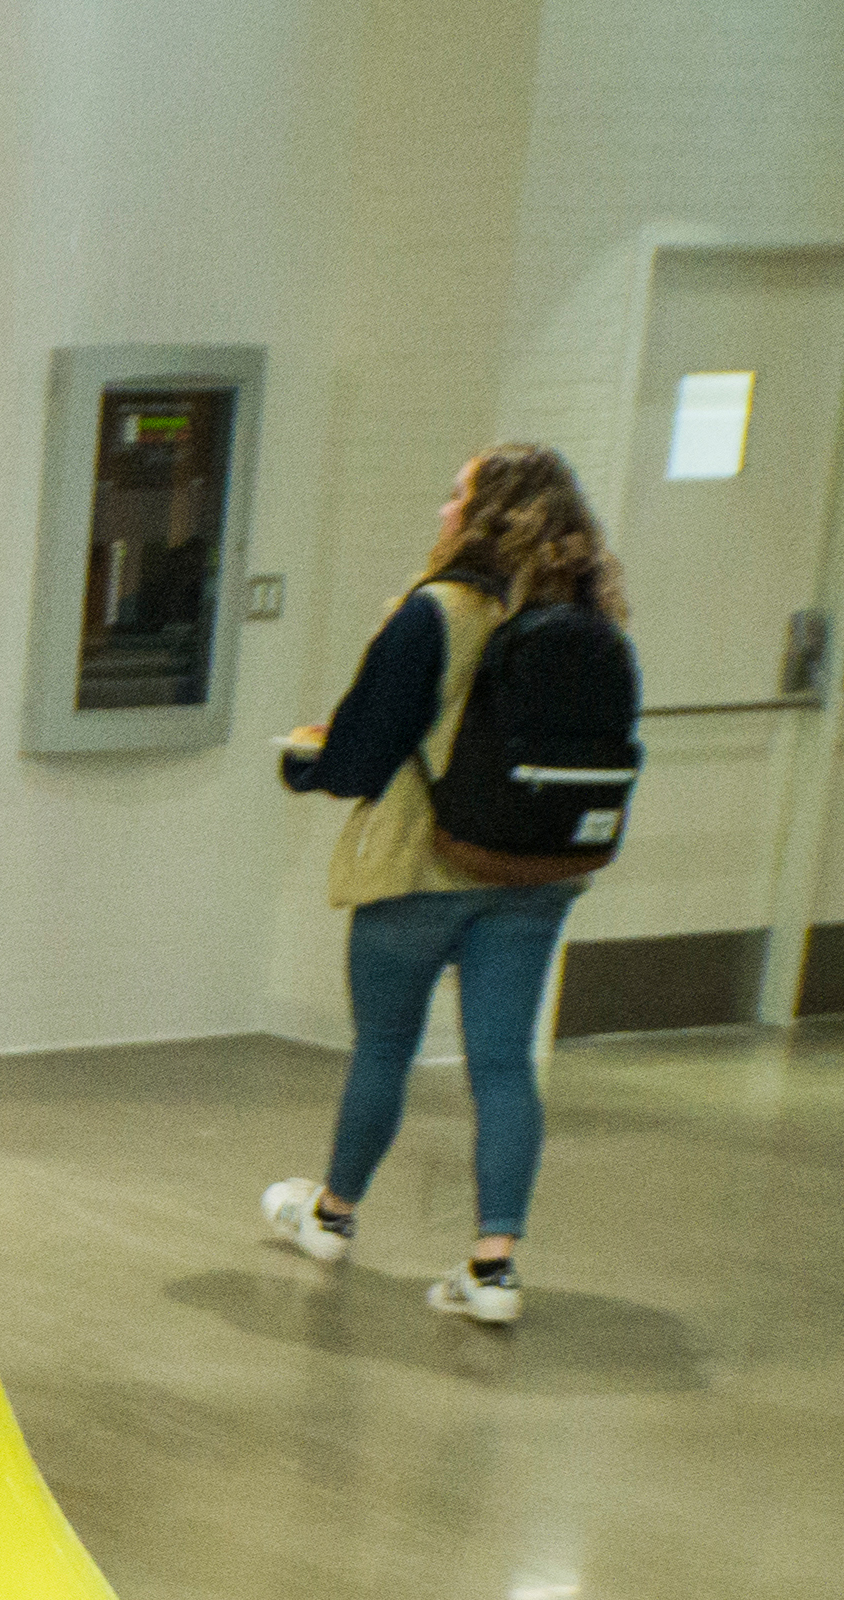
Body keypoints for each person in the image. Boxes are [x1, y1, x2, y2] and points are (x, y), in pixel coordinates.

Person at [262, 442, 625, 1329]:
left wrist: (305, 767)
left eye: (455, 494)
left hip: (421, 869)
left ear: (487, 512)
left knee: (384, 1048)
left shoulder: (438, 612)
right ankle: (494, 1266)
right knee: (504, 1065)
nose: (442, 511)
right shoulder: (592, 620)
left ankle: (333, 1215)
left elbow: (357, 755)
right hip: (536, 875)